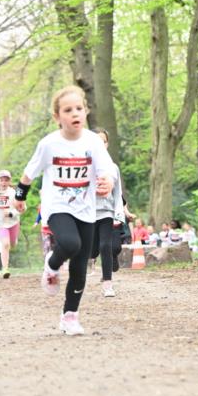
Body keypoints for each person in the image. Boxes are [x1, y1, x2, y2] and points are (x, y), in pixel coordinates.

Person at [14, 85, 114, 336]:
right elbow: (29, 173)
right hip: (57, 206)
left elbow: (107, 170)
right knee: (70, 244)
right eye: (67, 110)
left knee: (81, 267)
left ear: (86, 111)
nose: (74, 114)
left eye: (79, 108)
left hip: (87, 209)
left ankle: (70, 316)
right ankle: (52, 262)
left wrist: (108, 182)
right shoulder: (49, 144)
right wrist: (19, 197)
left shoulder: (93, 141)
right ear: (57, 117)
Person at [89, 128, 125, 298]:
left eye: (103, 141)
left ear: (107, 144)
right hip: (87, 213)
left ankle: (107, 284)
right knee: (91, 250)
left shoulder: (112, 167)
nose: (100, 144)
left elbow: (118, 193)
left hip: (106, 211)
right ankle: (90, 259)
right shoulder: (84, 166)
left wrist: (119, 213)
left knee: (106, 245)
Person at [0, 170, 21, 278]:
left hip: (13, 223)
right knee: (5, 244)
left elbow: (21, 209)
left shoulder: (13, 193)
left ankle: (14, 240)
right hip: (1, 224)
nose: (3, 182)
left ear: (9, 181)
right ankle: (5, 269)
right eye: (1, 180)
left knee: (12, 244)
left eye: (6, 180)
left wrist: (11, 213)